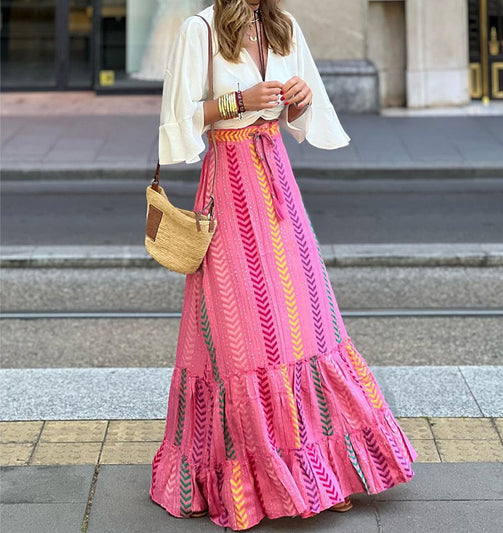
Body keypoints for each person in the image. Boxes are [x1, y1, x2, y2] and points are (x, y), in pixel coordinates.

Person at [149, 1, 417, 530]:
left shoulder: (283, 25)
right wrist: (235, 101)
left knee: (309, 325)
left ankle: (320, 470)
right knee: (244, 335)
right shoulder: (199, 29)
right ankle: (258, 477)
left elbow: (304, 117)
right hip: (228, 186)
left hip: (276, 180)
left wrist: (299, 99)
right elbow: (177, 119)